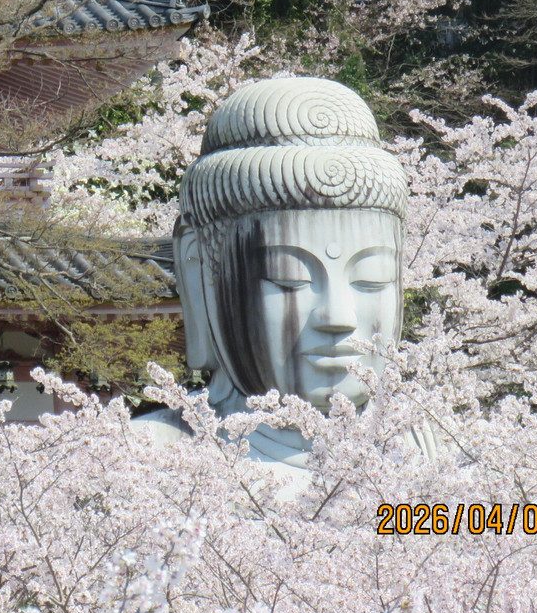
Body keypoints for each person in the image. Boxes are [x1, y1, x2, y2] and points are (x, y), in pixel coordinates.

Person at [135, 77, 432, 487]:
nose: (338, 318)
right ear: (198, 270)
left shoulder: (450, 460)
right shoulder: (145, 461)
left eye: (371, 278)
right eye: (290, 279)